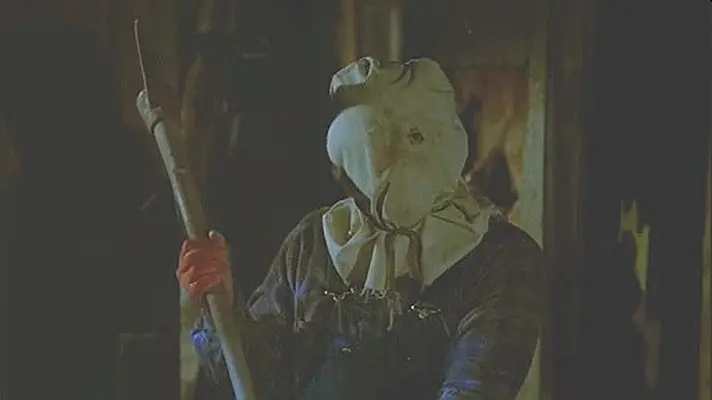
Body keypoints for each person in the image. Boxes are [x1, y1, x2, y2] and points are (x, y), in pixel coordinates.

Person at [168, 57, 545, 399]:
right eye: (369, 154)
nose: (394, 167)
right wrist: (221, 306)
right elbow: (258, 375)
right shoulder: (315, 240)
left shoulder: (501, 258)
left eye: (413, 140)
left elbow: (477, 387)